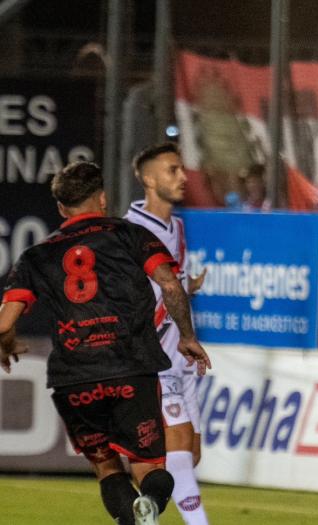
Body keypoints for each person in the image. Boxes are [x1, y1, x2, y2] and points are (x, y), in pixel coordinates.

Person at [0, 161, 211, 525]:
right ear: (102, 198)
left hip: (74, 377)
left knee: (106, 467)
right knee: (148, 466)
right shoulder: (130, 235)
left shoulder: (36, 256)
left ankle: (134, 516)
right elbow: (171, 285)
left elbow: (4, 322)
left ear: (62, 209)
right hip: (131, 366)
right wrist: (187, 338)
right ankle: (150, 505)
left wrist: (6, 344)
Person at [125, 142, 211, 524]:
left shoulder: (174, 225)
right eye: (172, 170)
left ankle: (147, 510)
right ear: (148, 178)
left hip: (180, 353)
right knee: (176, 450)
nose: (182, 177)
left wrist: (184, 287)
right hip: (153, 353)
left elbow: (163, 286)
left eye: (182, 169)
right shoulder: (130, 231)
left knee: (190, 453)